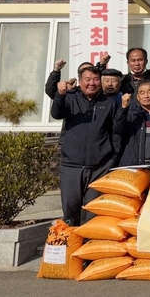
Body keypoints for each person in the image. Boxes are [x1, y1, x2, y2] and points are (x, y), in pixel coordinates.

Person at [50, 66, 123, 226]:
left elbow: (116, 132)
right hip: (71, 165)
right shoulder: (70, 97)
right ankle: (71, 245)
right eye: (87, 79)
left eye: (96, 79)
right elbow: (56, 114)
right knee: (70, 209)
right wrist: (60, 95)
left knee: (92, 211)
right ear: (80, 81)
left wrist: (113, 159)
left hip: (99, 167)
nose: (92, 83)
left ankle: (87, 245)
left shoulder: (109, 102)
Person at [117, 80, 150, 166]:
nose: (146, 96)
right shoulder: (131, 114)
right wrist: (123, 109)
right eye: (142, 93)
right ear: (137, 97)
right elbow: (118, 130)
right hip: (134, 164)